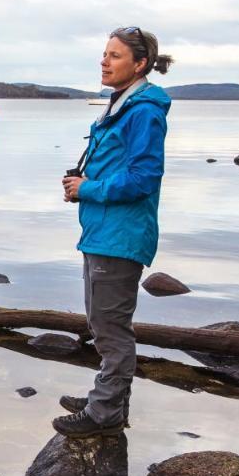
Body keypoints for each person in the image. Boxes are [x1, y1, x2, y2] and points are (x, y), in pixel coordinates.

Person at [52, 27, 173, 437]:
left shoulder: (144, 111)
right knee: (101, 323)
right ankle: (108, 399)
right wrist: (84, 184)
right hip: (103, 231)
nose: (104, 61)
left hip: (120, 236)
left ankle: (104, 413)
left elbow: (144, 177)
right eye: (104, 54)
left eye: (115, 55)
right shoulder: (122, 105)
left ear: (140, 64)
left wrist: (91, 188)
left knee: (110, 327)